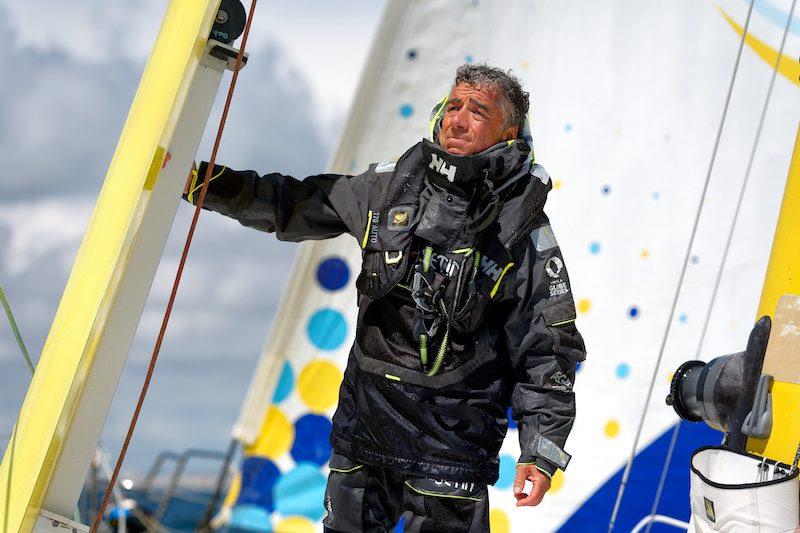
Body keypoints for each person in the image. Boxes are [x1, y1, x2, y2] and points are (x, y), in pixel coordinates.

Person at [183, 64, 586, 532]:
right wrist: (203, 184)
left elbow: (547, 346)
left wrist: (541, 451)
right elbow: (291, 204)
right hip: (365, 432)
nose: (457, 120)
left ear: (509, 132)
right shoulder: (390, 187)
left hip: (451, 450)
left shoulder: (524, 228)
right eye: (453, 106)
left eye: (478, 111)